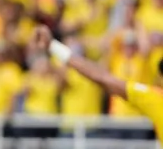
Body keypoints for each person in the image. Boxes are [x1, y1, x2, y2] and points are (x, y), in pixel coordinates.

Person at [35, 25, 163, 140]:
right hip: (119, 119)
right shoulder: (154, 97)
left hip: (133, 121)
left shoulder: (155, 96)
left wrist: (53, 46)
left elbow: (100, 76)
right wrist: (53, 46)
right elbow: (100, 76)